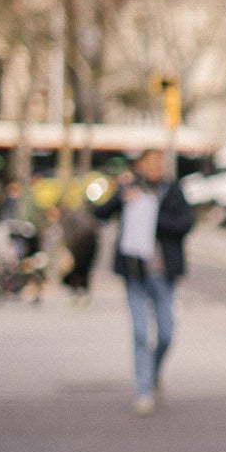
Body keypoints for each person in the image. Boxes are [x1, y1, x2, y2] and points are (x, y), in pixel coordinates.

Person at [94, 148, 195, 414]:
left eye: (158, 163)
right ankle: (143, 390)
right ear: (140, 166)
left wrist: (152, 213)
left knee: (166, 332)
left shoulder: (172, 191)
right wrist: (121, 196)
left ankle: (152, 372)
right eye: (149, 163)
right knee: (140, 333)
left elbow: (185, 223)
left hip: (163, 273)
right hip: (135, 273)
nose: (154, 168)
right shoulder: (129, 188)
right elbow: (100, 212)